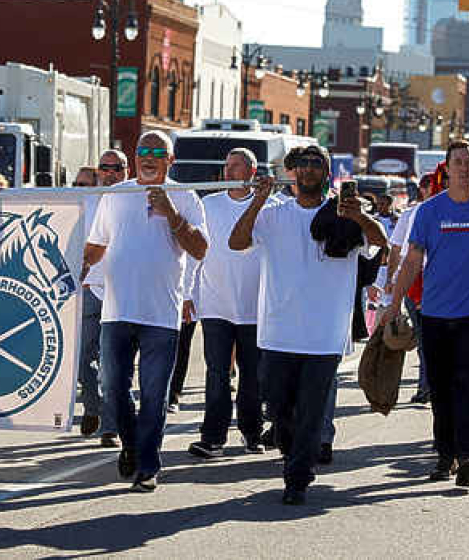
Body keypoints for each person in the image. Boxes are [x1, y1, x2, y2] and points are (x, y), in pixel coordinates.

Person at [230, 144, 386, 505]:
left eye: (317, 164)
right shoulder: (274, 214)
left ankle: (297, 479)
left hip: (324, 334)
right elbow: (236, 242)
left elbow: (381, 242)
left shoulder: (345, 214)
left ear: (327, 173)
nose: (309, 170)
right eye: (303, 164)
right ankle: (290, 449)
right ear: (293, 173)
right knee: (279, 407)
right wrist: (256, 201)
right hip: (277, 331)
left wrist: (359, 216)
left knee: (312, 411)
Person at [85, 131, 207, 493]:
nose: (149, 157)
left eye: (158, 152)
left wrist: (171, 214)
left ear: (171, 161)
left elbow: (199, 249)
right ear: (135, 157)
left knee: (155, 395)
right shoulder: (116, 194)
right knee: (113, 388)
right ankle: (131, 444)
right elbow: (97, 244)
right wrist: (79, 268)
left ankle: (148, 465)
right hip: (118, 309)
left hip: (160, 315)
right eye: (143, 151)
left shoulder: (185, 196)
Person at [385, 140, 469, 488]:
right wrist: (394, 303)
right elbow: (413, 259)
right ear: (447, 168)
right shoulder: (429, 211)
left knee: (468, 383)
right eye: (458, 162)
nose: (464, 169)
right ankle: (445, 455)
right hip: (435, 312)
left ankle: (468, 455)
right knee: (440, 387)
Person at [186, 148, 264, 460]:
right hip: (215, 304)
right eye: (227, 166)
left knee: (252, 375)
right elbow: (196, 253)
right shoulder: (209, 205)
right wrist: (188, 294)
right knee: (217, 373)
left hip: (255, 307)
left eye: (237, 166)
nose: (229, 171)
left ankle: (252, 432)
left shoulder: (269, 207)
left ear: (252, 172)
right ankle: (213, 437)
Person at [78, 150, 128, 448]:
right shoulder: (84, 201)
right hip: (88, 291)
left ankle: (110, 426)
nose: (110, 172)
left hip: (120, 294)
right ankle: (93, 407)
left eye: (116, 167)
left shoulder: (135, 197)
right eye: (104, 167)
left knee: (112, 364)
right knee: (83, 359)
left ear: (126, 170)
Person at [384, 168, 443, 404]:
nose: (433, 189)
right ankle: (425, 386)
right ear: (423, 188)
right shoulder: (409, 215)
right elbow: (396, 250)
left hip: (438, 281)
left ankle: (434, 384)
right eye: (429, 185)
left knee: (436, 338)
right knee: (422, 337)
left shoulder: (446, 211)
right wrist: (390, 279)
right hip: (413, 281)